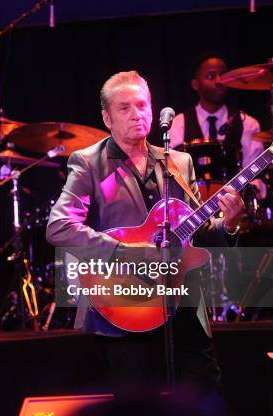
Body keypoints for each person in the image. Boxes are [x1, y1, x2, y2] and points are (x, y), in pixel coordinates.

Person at [46, 71, 245, 406]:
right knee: (137, 405)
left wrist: (229, 224)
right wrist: (127, 252)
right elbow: (59, 226)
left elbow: (198, 235)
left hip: (181, 302)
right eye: (124, 108)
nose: (136, 114)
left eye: (142, 105)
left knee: (207, 397)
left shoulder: (179, 162)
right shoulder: (88, 162)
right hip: (126, 306)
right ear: (107, 118)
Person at [168, 53, 266, 199]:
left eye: (223, 75)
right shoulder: (177, 124)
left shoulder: (248, 124)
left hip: (238, 212)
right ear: (195, 84)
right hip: (193, 211)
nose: (219, 81)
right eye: (211, 76)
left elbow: (255, 176)